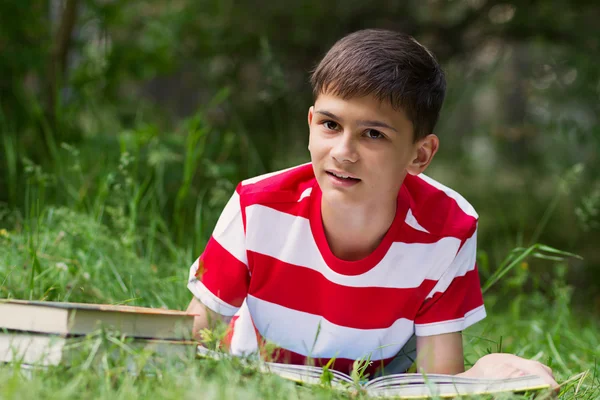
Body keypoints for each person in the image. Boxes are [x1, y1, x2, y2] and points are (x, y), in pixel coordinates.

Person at [186, 29, 558, 388]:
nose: (343, 153)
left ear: (420, 154)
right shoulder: (259, 207)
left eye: (374, 134)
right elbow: (190, 338)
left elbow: (436, 381)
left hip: (372, 384)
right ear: (311, 122)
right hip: (255, 376)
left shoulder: (448, 228)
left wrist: (488, 371)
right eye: (331, 125)